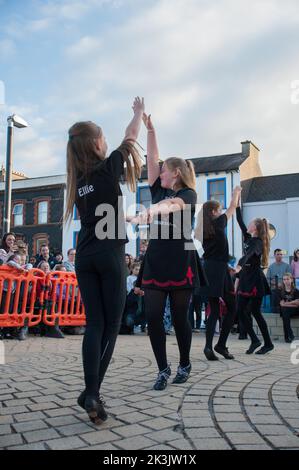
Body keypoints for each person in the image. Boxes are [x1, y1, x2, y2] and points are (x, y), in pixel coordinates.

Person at [64, 97, 144, 424]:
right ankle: (93, 392)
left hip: (84, 255)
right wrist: (138, 114)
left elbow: (125, 141)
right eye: (102, 137)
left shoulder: (78, 181)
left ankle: (89, 393)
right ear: (97, 142)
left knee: (94, 324)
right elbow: (130, 138)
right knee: (111, 325)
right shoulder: (109, 168)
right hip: (110, 254)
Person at [133, 113, 207, 390]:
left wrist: (151, 211)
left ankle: (185, 363)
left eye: (165, 170)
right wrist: (150, 130)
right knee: (152, 316)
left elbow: (172, 204)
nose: (159, 173)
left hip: (180, 258)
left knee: (179, 317)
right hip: (156, 258)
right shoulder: (156, 191)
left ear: (175, 173)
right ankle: (163, 368)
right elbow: (152, 160)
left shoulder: (188, 194)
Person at [195, 188, 241, 361]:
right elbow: (232, 207)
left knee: (214, 310)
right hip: (220, 270)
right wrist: (236, 192)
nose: (221, 212)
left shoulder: (201, 229)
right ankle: (220, 344)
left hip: (209, 269)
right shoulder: (219, 222)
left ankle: (208, 346)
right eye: (219, 209)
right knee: (232, 307)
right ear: (213, 212)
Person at [235, 202, 274, 354]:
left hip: (255, 280)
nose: (248, 224)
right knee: (240, 310)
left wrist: (240, 263)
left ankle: (268, 343)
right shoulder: (248, 238)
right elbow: (239, 221)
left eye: (251, 223)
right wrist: (236, 200)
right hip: (246, 278)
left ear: (256, 228)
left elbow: (251, 254)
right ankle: (255, 340)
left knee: (255, 312)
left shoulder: (258, 243)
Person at [279, 273, 299, 343]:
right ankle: (289, 335)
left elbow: (297, 304)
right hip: (286, 311)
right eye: (284, 279)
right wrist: (292, 302)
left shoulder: (296, 291)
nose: (286, 281)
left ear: (291, 280)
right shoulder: (281, 291)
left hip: (295, 310)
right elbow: (281, 304)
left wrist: (286, 304)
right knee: (285, 311)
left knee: (284, 311)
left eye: (288, 279)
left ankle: (287, 336)